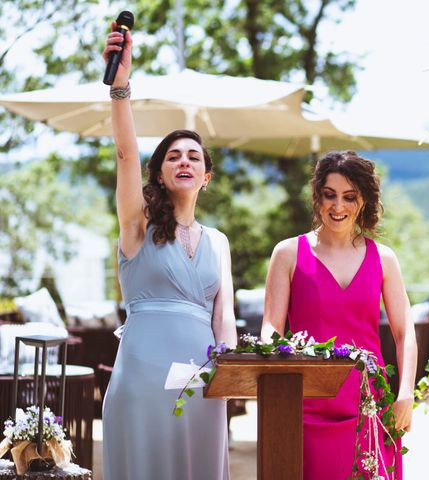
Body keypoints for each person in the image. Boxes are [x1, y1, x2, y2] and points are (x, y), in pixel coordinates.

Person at [101, 23, 236, 480]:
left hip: (201, 385)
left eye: (194, 157)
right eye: (173, 156)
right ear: (159, 173)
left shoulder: (218, 241)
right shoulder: (137, 224)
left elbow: (225, 319)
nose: (184, 161)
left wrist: (231, 375)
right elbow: (124, 154)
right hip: (140, 379)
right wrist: (121, 89)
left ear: (206, 177)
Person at [261, 150, 418, 480]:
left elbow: (405, 333)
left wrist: (405, 394)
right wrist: (278, 372)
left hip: (370, 403)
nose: (337, 206)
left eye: (349, 197)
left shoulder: (384, 258)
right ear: (317, 195)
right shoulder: (288, 253)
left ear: (363, 201)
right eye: (329, 195)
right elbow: (271, 328)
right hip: (306, 403)